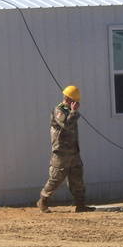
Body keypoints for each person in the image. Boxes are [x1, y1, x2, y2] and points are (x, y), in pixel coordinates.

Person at [37, 85, 95, 213]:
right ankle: (43, 201)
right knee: (56, 178)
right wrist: (74, 112)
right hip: (61, 152)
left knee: (77, 178)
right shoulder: (58, 110)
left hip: (73, 151)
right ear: (68, 99)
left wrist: (73, 112)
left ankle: (80, 204)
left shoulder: (70, 112)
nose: (76, 104)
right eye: (74, 101)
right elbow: (66, 124)